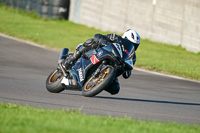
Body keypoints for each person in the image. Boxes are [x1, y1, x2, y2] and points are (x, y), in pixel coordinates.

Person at [65, 29, 140, 95]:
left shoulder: (133, 57)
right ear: (125, 38)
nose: (132, 46)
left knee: (115, 89)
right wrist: (104, 41)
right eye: (129, 42)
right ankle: (71, 59)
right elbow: (97, 36)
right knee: (91, 42)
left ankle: (98, 83)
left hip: (112, 69)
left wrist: (127, 70)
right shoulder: (116, 38)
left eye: (135, 45)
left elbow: (127, 74)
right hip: (98, 53)